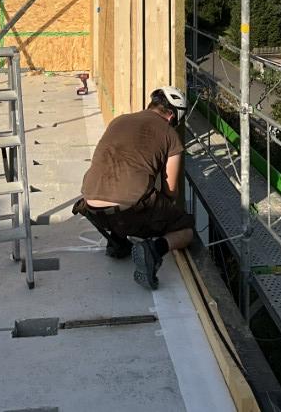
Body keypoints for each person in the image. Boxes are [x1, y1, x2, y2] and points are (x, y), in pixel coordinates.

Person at [73, 86, 194, 290]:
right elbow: (171, 189)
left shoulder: (119, 120)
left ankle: (118, 241)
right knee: (186, 229)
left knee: (126, 194)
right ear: (173, 116)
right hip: (128, 211)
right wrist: (165, 210)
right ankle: (153, 250)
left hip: (91, 206)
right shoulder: (170, 135)